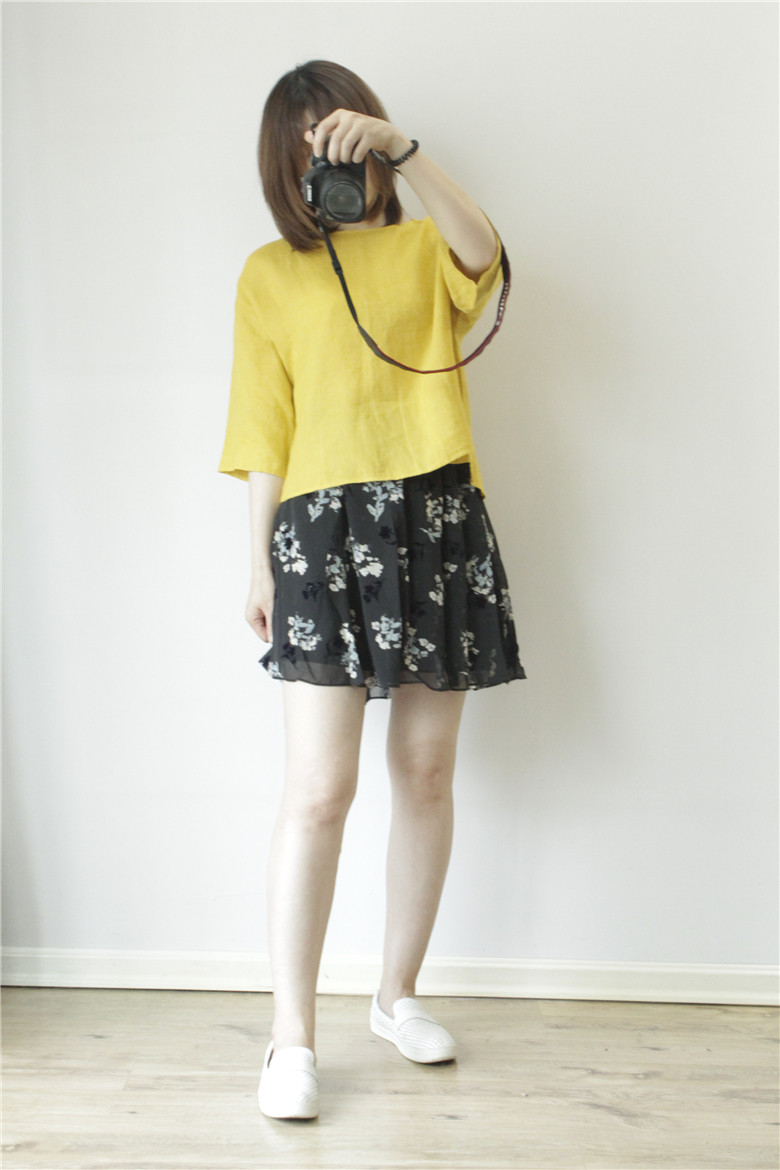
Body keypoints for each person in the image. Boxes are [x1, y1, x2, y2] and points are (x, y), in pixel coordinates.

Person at [218, 60, 526, 1121]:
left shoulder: (423, 244)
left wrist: (406, 150)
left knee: (427, 773)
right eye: (307, 144)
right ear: (282, 162)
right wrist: (258, 559)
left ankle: (396, 998)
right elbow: (263, 427)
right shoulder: (269, 274)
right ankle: (291, 1038)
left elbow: (486, 258)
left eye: (341, 133)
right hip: (320, 536)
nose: (329, 155)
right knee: (319, 790)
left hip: (435, 518)